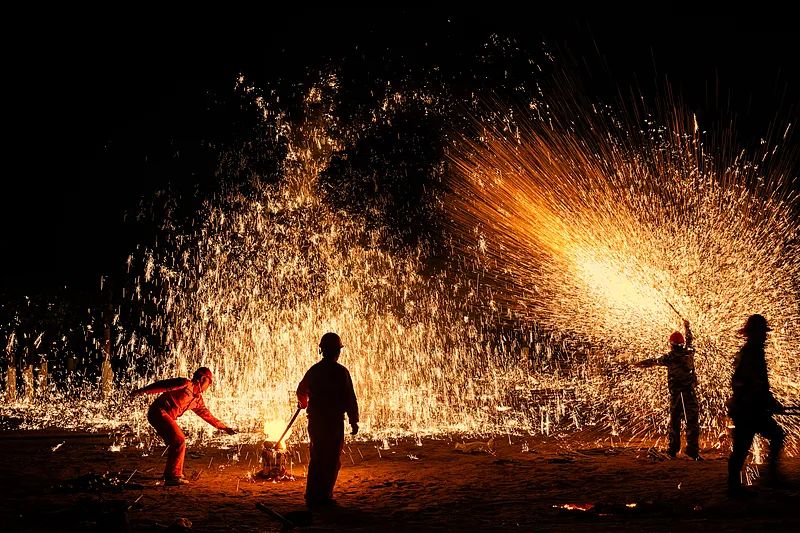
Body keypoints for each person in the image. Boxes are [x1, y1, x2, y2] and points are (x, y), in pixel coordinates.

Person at [130, 367, 237, 486]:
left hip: (165, 416)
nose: (209, 386)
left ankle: (170, 474)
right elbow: (163, 385)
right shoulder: (185, 384)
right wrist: (142, 391)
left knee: (176, 442)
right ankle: (173, 476)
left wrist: (224, 428)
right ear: (203, 379)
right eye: (209, 382)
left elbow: (207, 415)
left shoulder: (197, 400)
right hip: (158, 412)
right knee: (179, 440)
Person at [296, 332, 359, 507]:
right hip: (333, 422)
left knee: (317, 457)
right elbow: (349, 397)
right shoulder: (341, 372)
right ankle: (325, 496)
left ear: (322, 350)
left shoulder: (314, 370)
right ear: (337, 351)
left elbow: (301, 390)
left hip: (316, 421)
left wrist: (303, 403)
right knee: (331, 459)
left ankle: (312, 496)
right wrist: (353, 420)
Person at [727, 314, 785, 496]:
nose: (765, 336)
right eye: (762, 333)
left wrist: (769, 401)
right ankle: (735, 487)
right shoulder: (752, 353)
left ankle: (769, 476)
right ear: (755, 333)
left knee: (774, 435)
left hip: (751, 408)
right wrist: (770, 402)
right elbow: (754, 384)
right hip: (747, 410)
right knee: (742, 448)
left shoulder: (752, 351)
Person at [635, 320, 702, 460]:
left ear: (671, 345)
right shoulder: (689, 352)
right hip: (689, 393)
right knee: (692, 422)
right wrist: (687, 327)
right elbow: (690, 340)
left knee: (675, 422)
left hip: (677, 394)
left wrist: (637, 364)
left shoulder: (670, 357)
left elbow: (653, 361)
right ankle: (693, 451)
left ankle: (673, 450)